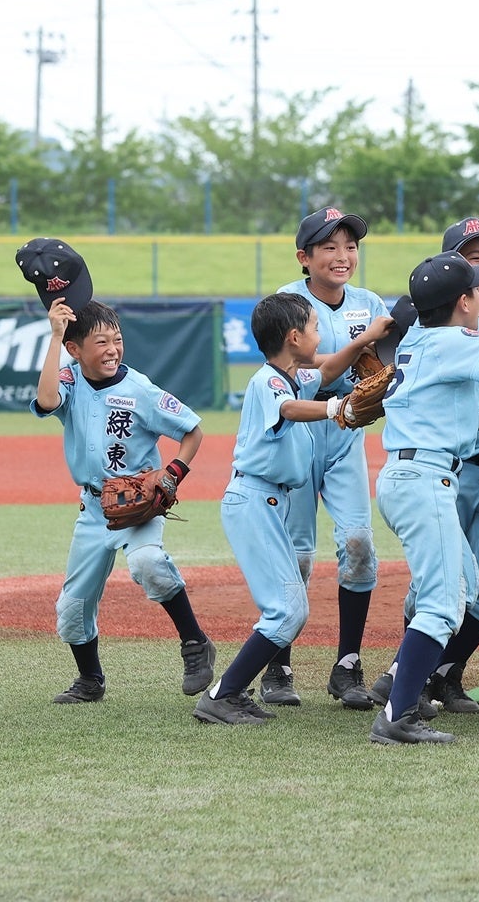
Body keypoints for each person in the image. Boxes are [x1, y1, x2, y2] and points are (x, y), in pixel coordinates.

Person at [369, 253, 479, 744]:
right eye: (475, 288)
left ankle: (401, 685)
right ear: (464, 301)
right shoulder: (449, 340)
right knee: (445, 603)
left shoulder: (419, 335)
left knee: (463, 583)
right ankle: (398, 714)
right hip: (424, 478)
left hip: (413, 473)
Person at [32, 298, 211, 703]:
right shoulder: (70, 380)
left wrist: (173, 474)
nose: (113, 349)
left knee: (148, 564)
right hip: (94, 509)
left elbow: (192, 430)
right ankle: (90, 680)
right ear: (76, 350)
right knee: (71, 609)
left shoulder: (140, 390)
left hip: (139, 505)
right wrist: (56, 336)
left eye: (117, 339)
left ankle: (195, 644)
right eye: (101, 342)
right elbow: (46, 402)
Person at [269, 207, 393, 711]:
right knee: (296, 556)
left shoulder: (369, 302)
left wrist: (382, 378)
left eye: (350, 246)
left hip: (344, 439)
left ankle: (347, 665)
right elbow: (305, 366)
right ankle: (277, 663)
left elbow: (382, 370)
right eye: (329, 247)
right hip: (298, 434)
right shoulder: (284, 303)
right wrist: (362, 344)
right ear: (305, 257)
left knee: (359, 546)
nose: (343, 256)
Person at [193, 293, 334, 724]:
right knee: (287, 609)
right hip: (253, 499)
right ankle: (222, 695)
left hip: (268, 501)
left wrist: (367, 341)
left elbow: (328, 368)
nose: (319, 333)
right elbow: (290, 408)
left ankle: (228, 692)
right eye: (313, 327)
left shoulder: (290, 374)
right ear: (294, 337)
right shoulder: (269, 382)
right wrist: (337, 408)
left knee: (290, 608)